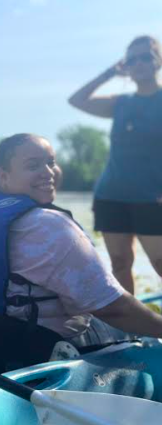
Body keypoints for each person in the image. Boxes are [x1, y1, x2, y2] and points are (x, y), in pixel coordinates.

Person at [0, 134, 162, 373]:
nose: (48, 172)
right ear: (3, 175)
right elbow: (115, 309)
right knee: (139, 334)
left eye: (51, 162)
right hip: (37, 353)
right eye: (33, 165)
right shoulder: (50, 226)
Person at [68, 35, 162, 294]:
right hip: (111, 196)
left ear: (158, 61)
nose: (139, 63)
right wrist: (110, 72)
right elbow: (76, 100)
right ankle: (132, 330)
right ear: (126, 66)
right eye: (132, 59)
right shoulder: (120, 103)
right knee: (120, 265)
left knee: (159, 263)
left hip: (153, 199)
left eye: (146, 57)